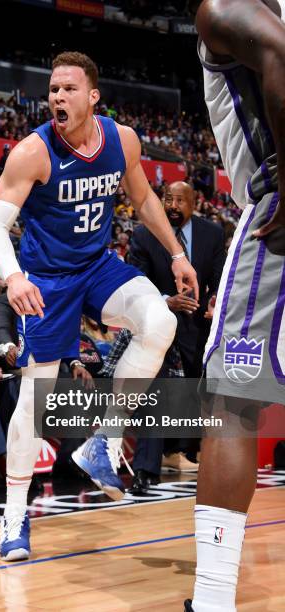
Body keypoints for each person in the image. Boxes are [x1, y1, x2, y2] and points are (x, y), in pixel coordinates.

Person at [0, 51, 198, 562]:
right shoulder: (32, 153)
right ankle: (14, 515)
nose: (57, 96)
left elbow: (145, 200)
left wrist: (177, 254)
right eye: (53, 88)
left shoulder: (121, 140)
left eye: (69, 88)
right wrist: (13, 277)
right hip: (47, 282)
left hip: (98, 266)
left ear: (92, 96)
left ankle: (104, 436)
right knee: (33, 401)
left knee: (160, 319)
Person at [184, 2, 285, 611]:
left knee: (231, 402)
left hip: (277, 218)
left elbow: (280, 55)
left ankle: (214, 600)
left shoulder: (223, 7)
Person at [128, 181, 225, 488]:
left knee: (205, 387)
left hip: (199, 323)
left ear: (193, 203)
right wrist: (165, 301)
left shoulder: (212, 233)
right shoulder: (144, 234)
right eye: (167, 199)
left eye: (179, 200)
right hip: (156, 320)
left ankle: (187, 450)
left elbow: (221, 277)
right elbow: (135, 282)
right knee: (153, 390)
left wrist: (215, 302)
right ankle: (146, 469)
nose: (171, 205)